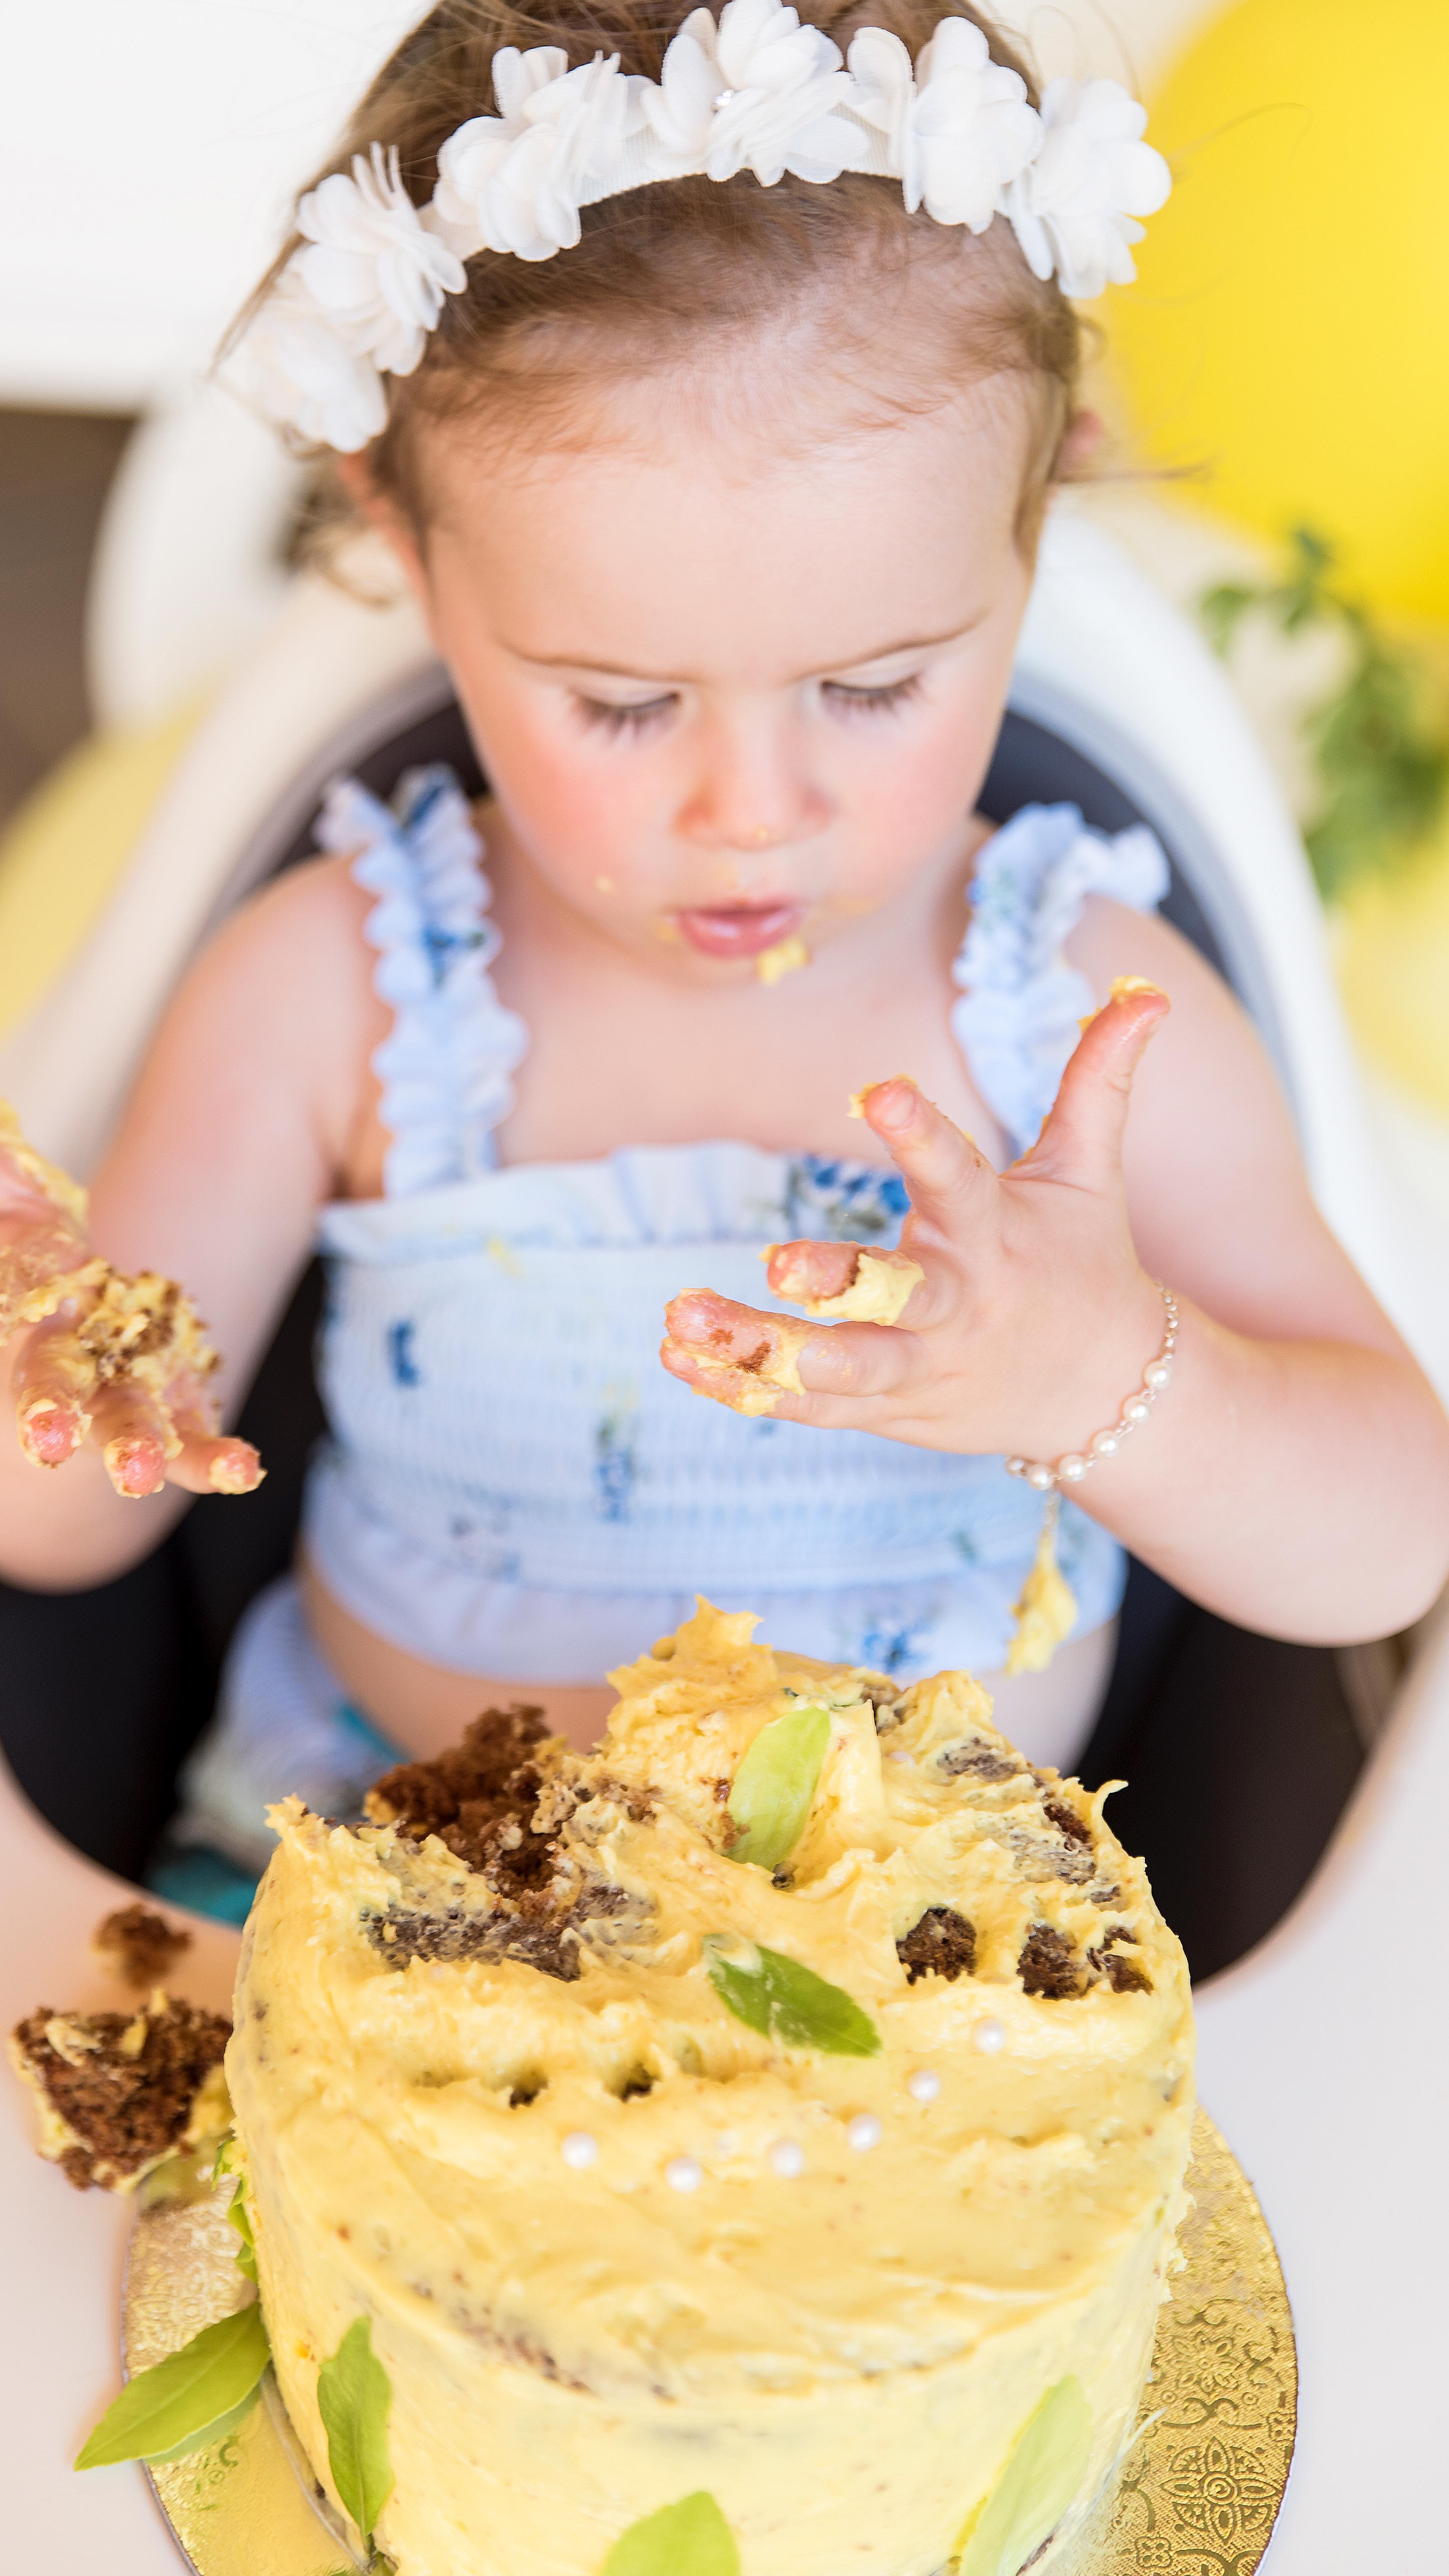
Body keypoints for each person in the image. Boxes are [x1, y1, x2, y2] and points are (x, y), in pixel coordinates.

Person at [2, 0, 1446, 1922]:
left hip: (947, 1986)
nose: (751, 809)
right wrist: (44, 1365)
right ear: (407, 556)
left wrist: (1109, 1376)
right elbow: (62, 1532)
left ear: (1034, 530)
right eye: (617, 704)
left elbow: (1384, 1549)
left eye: (872, 687)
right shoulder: (347, 985)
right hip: (380, 1932)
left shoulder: (1082, 1018)